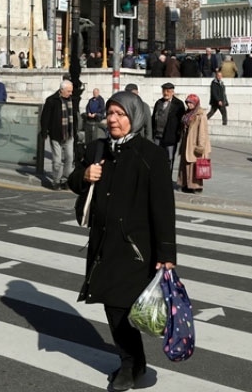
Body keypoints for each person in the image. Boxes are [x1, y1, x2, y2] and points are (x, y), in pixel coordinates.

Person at [69, 91, 176, 391]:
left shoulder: (150, 155)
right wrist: (85, 175)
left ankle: (130, 365)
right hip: (104, 245)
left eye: (120, 114)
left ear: (135, 117)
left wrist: (166, 253)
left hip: (136, 249)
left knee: (123, 309)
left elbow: (164, 209)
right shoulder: (98, 148)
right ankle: (133, 361)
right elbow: (73, 181)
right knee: (113, 308)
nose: (113, 120)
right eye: (110, 113)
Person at [40, 80, 76, 189]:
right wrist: (44, 132)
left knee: (69, 158)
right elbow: (45, 118)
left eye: (71, 91)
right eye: (69, 91)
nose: (71, 93)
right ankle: (56, 181)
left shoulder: (72, 100)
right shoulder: (51, 100)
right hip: (56, 135)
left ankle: (65, 179)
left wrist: (76, 131)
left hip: (69, 135)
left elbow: (74, 116)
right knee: (57, 160)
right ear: (62, 90)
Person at [177, 94, 211, 194]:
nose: (189, 104)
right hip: (186, 142)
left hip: (195, 143)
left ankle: (196, 186)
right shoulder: (187, 113)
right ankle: (186, 184)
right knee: (186, 165)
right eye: (187, 102)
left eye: (191, 102)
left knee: (195, 165)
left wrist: (200, 146)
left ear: (196, 103)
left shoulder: (200, 114)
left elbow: (202, 132)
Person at [151, 83, 186, 175]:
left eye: (168, 91)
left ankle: (167, 177)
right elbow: (153, 118)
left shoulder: (178, 104)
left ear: (172, 92)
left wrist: (178, 134)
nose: (165, 93)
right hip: (157, 136)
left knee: (169, 158)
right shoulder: (158, 102)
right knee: (156, 158)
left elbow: (181, 121)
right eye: (164, 91)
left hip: (170, 137)